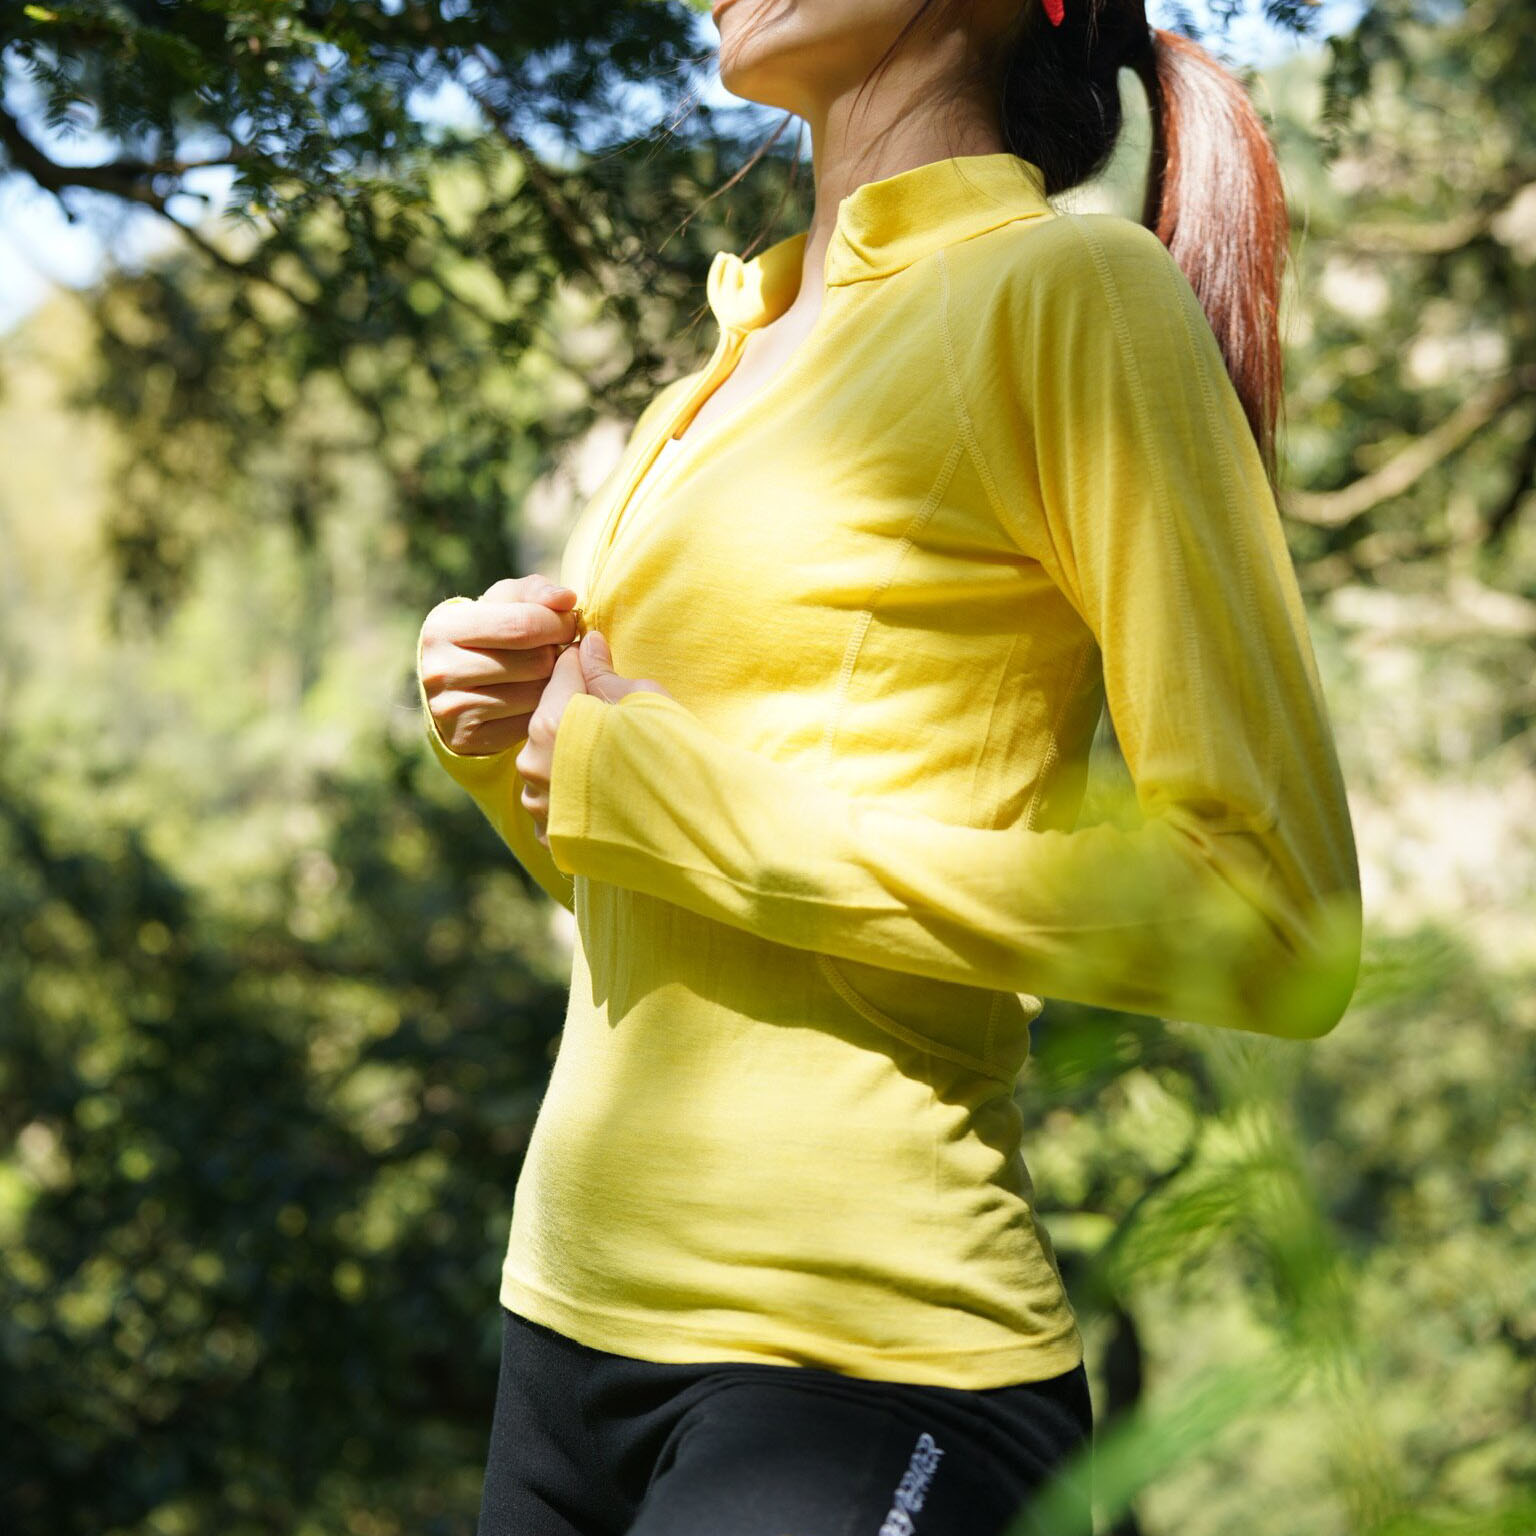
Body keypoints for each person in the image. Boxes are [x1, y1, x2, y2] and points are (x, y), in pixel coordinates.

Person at [415, 0, 1364, 1531]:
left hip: (857, 1366)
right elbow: (649, 889)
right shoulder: (717, 371)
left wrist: (680, 803)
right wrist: (505, 738)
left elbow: (1274, 921)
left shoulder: (1071, 292)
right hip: (560, 1335)